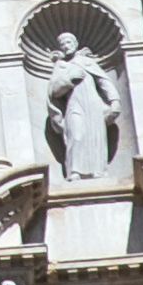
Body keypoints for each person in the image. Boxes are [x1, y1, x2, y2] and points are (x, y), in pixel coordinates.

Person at [38, 28, 127, 181]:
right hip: (74, 104)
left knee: (96, 136)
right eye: (63, 44)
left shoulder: (87, 62)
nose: (66, 46)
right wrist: (69, 79)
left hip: (94, 104)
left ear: (75, 44)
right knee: (76, 135)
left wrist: (115, 101)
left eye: (68, 42)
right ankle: (74, 171)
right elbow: (54, 91)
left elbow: (104, 81)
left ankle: (98, 171)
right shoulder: (61, 67)